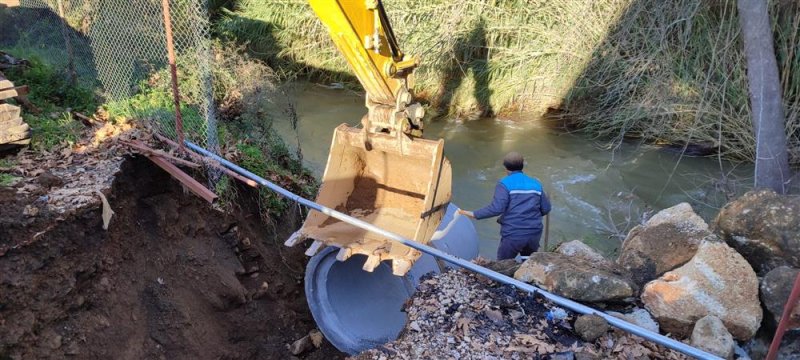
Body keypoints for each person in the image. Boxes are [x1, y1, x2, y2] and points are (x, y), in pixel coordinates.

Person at [458, 152, 551, 260]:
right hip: (534, 233)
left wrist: (474, 214)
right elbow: (546, 208)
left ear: (505, 167)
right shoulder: (536, 184)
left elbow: (497, 208)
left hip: (513, 233)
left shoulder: (504, 184)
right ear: (522, 165)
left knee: (503, 265)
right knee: (527, 262)